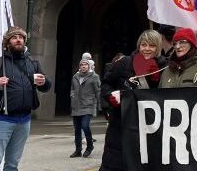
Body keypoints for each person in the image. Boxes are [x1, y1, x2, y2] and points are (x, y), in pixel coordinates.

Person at [0, 26, 51, 171]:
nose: (18, 40)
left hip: (24, 120)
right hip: (2, 119)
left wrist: (45, 82)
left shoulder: (33, 63)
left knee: (12, 164)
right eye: (14, 37)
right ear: (7, 42)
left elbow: (45, 87)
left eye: (21, 37)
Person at [100, 29, 166, 171]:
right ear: (139, 46)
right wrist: (111, 95)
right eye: (144, 45)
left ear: (158, 48)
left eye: (152, 45)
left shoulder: (164, 67)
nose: (147, 49)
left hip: (149, 128)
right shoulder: (124, 63)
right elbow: (106, 83)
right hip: (121, 124)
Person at [69, 58, 101, 158]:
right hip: (76, 105)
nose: (83, 66)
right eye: (81, 65)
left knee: (85, 126)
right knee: (77, 129)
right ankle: (78, 150)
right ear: (79, 66)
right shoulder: (75, 76)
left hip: (88, 105)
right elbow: (72, 89)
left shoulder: (94, 77)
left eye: (85, 64)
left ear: (89, 66)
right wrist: (72, 96)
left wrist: (99, 106)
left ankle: (89, 146)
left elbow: (98, 92)